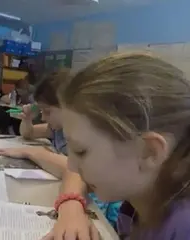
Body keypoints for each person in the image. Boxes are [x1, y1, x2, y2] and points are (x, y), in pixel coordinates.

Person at [56, 52, 190, 239]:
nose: (71, 165)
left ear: (150, 151)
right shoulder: (136, 205)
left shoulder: (182, 226)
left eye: (81, 151)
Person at [0, 71, 121, 227]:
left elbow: (73, 170)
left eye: (47, 112)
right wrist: (27, 120)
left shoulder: (89, 138)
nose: (43, 118)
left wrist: (35, 153)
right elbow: (29, 133)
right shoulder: (55, 129)